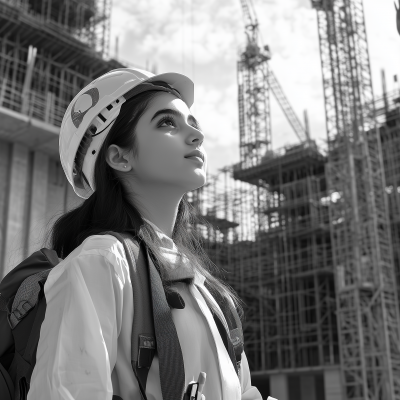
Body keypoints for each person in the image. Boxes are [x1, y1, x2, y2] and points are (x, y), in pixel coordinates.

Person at [27, 68, 263, 400]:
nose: (196, 135)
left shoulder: (205, 288)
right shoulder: (101, 263)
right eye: (167, 122)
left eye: (192, 123)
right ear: (119, 157)